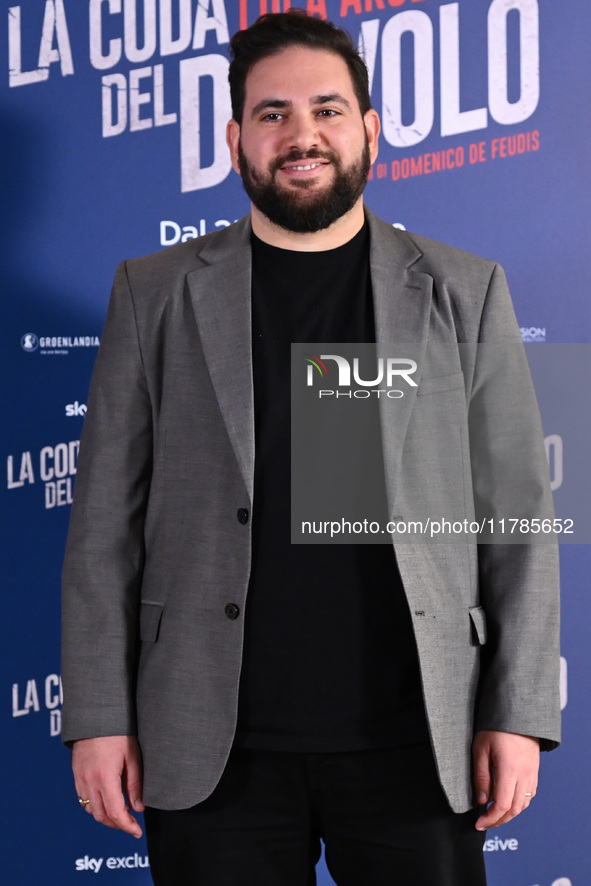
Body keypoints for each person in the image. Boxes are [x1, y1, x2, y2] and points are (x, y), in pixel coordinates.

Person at [62, 10, 560, 886]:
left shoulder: (466, 288)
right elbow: (103, 524)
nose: (302, 136)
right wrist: (99, 714)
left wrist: (517, 714)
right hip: (213, 748)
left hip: (418, 741)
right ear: (234, 140)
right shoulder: (152, 292)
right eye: (272, 113)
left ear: (369, 131)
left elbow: (519, 515)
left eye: (328, 110)